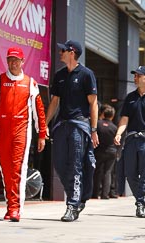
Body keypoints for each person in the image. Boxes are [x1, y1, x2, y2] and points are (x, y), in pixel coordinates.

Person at [0, 47, 47, 222]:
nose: (13, 63)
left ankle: (15, 208)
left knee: (18, 168)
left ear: (22, 61)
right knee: (5, 169)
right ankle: (10, 205)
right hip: (2, 130)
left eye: (16, 60)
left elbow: (39, 111)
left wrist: (41, 134)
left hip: (22, 131)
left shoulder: (31, 83)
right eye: (10, 59)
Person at [45, 40, 99, 222]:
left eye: (63, 50)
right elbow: (54, 102)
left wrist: (93, 130)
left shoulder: (86, 75)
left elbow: (93, 104)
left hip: (79, 125)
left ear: (72, 52)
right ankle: (77, 198)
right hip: (61, 126)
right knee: (60, 165)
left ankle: (72, 204)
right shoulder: (59, 75)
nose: (60, 52)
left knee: (76, 165)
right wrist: (45, 124)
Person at [114, 66, 145, 218]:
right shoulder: (130, 97)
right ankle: (143, 197)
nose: (135, 78)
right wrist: (118, 133)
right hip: (131, 138)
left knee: (144, 172)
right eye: (135, 75)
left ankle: (140, 203)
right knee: (129, 173)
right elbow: (124, 119)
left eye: (138, 75)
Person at [93, 103, 117, 199]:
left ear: (103, 114)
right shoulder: (114, 127)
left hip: (99, 151)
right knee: (108, 172)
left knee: (97, 171)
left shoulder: (98, 124)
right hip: (111, 151)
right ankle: (105, 194)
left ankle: (95, 193)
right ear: (112, 116)